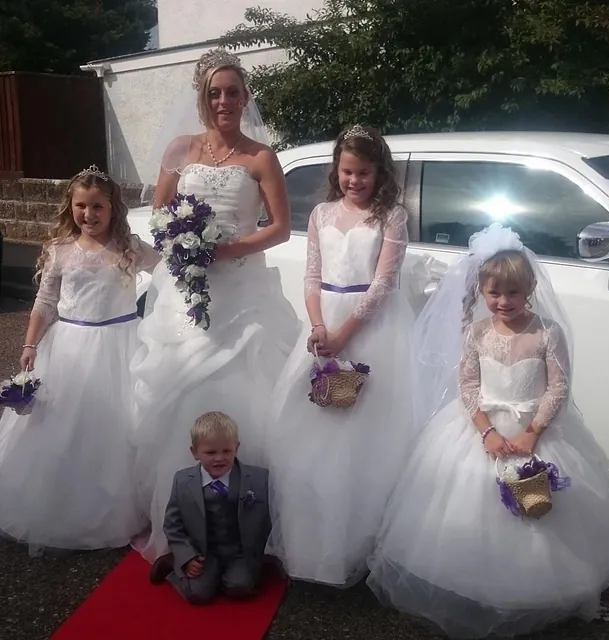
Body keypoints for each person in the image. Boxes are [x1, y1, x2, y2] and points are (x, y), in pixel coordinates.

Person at [366, 224, 609, 638]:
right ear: (483, 292)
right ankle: (472, 582)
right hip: (481, 429)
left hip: (534, 431)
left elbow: (558, 386)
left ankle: (530, 587)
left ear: (530, 290)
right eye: (495, 293)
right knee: (465, 497)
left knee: (536, 509)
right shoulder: (477, 332)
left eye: (513, 293)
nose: (504, 302)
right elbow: (467, 385)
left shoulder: (545, 333)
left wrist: (533, 432)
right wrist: (485, 430)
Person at [131, 48, 300, 564]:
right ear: (202, 100)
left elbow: (280, 226)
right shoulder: (181, 149)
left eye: (232, 91)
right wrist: (182, 246)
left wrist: (227, 248)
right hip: (186, 292)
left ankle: (245, 521)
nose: (223, 100)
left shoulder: (260, 157)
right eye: (214, 93)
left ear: (245, 98)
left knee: (245, 385)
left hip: (242, 293)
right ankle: (180, 519)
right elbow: (159, 215)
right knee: (180, 388)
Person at [267, 125, 418, 587]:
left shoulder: (390, 216)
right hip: (323, 324)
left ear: (379, 173)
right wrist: (318, 327)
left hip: (369, 326)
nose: (355, 180)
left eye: (364, 173)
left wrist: (345, 333)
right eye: (348, 171)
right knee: (309, 431)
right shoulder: (320, 213)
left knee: (362, 440)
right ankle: (311, 539)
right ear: (337, 170)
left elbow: (383, 284)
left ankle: (355, 542)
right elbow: (312, 276)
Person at [0, 165, 159, 554]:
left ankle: (118, 508)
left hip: (121, 344)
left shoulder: (130, 248)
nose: (89, 215)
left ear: (113, 209)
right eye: (81, 206)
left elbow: (170, 270)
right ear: (70, 206)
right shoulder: (60, 251)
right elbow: (45, 302)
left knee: (119, 428)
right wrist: (30, 344)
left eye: (98, 207)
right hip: (70, 344)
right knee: (63, 429)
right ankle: (62, 503)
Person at [149, 412, 271, 604]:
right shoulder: (182, 481)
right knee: (198, 595)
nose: (219, 458)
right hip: (202, 551)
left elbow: (268, 521)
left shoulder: (257, 478)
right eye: (211, 453)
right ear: (194, 452)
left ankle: (222, 578)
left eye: (226, 451)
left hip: (238, 551)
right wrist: (187, 557)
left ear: (236, 448)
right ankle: (174, 563)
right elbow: (172, 525)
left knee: (240, 587)